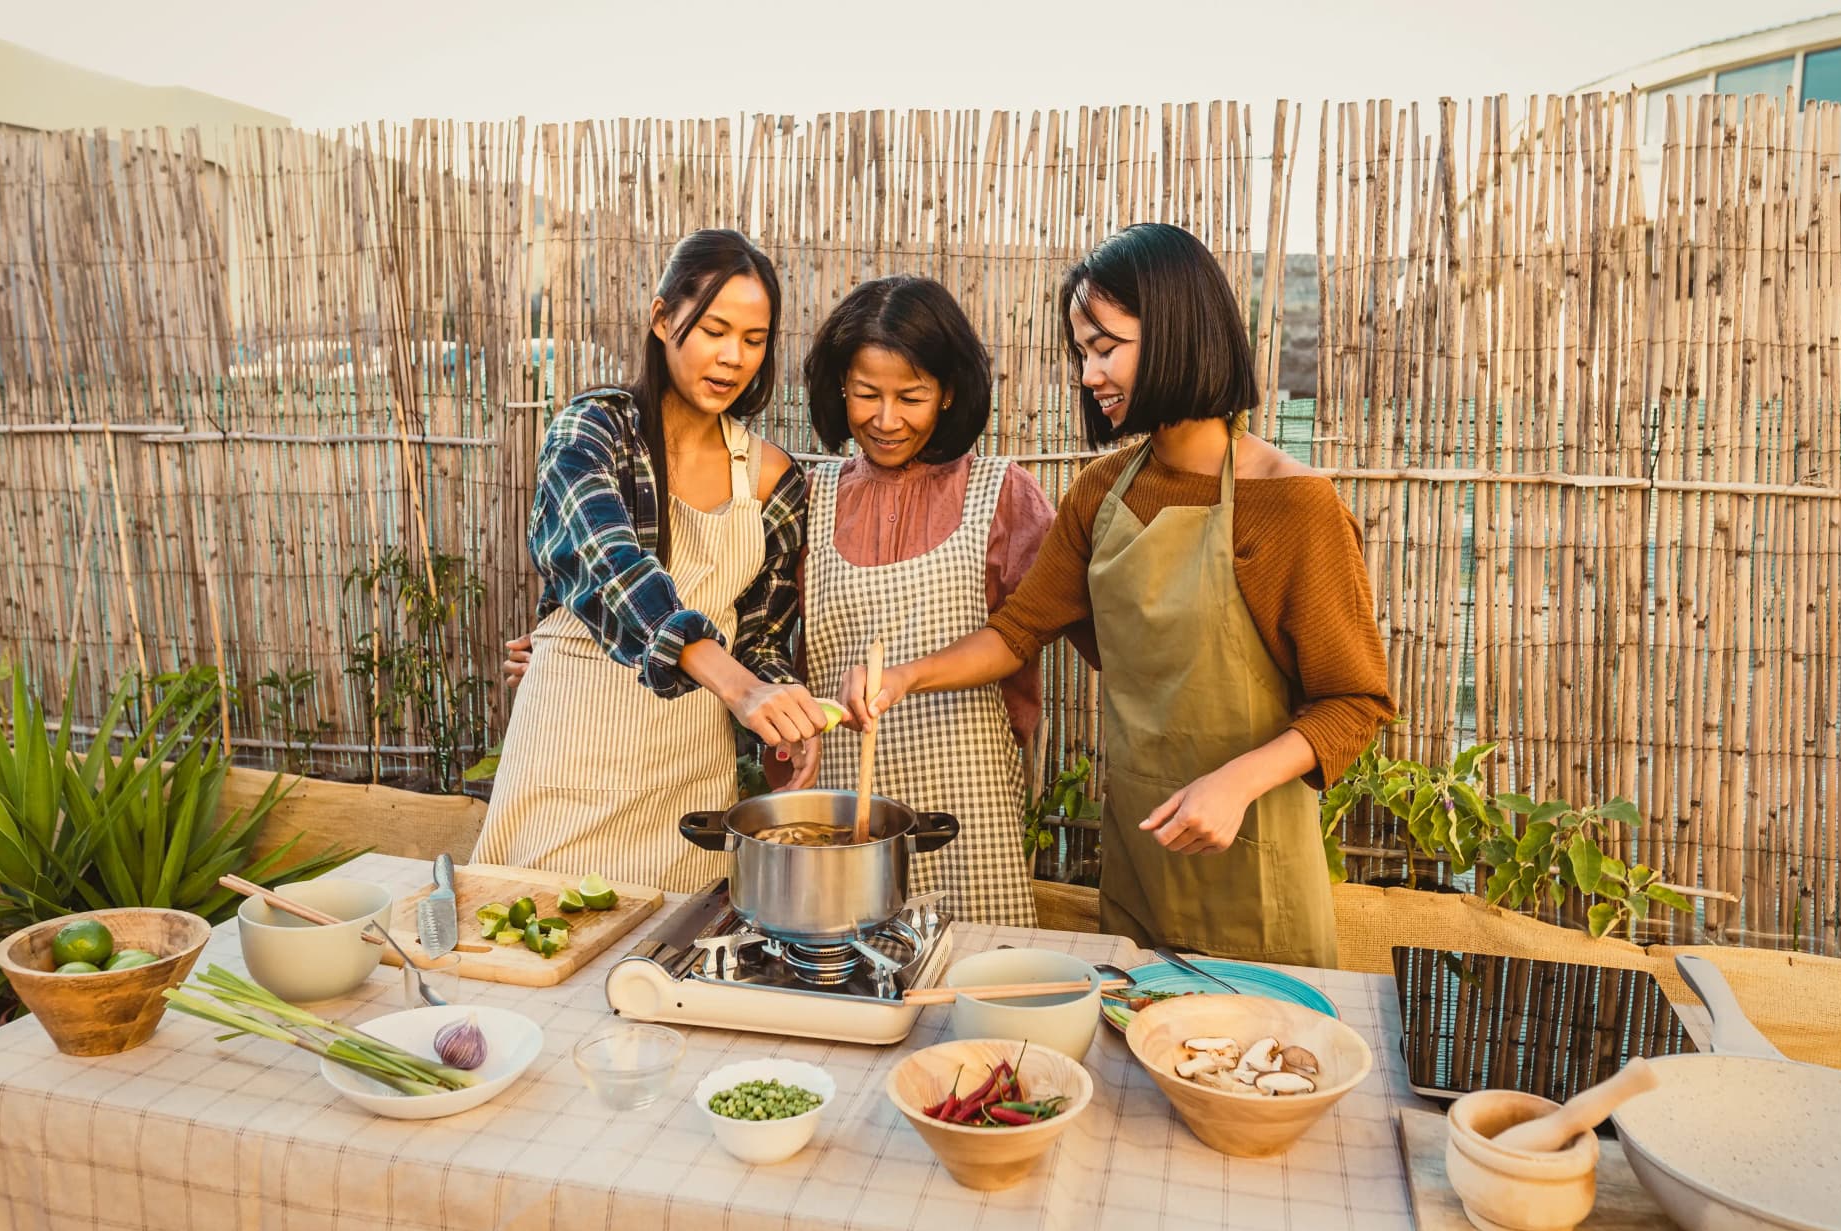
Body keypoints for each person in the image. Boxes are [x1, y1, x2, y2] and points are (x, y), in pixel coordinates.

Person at [841, 224, 1396, 965]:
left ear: (1174, 330)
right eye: (1081, 353)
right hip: (1138, 853)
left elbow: (1354, 703)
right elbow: (1018, 631)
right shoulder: (1101, 492)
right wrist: (904, 677)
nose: (1088, 374)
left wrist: (1234, 783)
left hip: (1254, 861)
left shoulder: (1294, 505)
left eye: (1105, 347)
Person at [472, 228, 826, 891]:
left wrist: (777, 713)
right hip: (566, 759)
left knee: (670, 970)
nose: (733, 358)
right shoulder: (593, 431)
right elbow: (606, 562)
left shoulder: (776, 480)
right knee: (526, 942)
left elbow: (763, 641)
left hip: (686, 776)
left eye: (754, 340)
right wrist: (739, 686)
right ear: (663, 319)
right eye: (715, 330)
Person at [791, 275, 1055, 925]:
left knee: (974, 995)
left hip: (966, 811)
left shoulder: (1004, 495)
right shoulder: (807, 500)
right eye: (866, 394)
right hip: (841, 807)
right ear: (839, 387)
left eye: (911, 396)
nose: (885, 420)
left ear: (949, 393)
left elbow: (1042, 626)